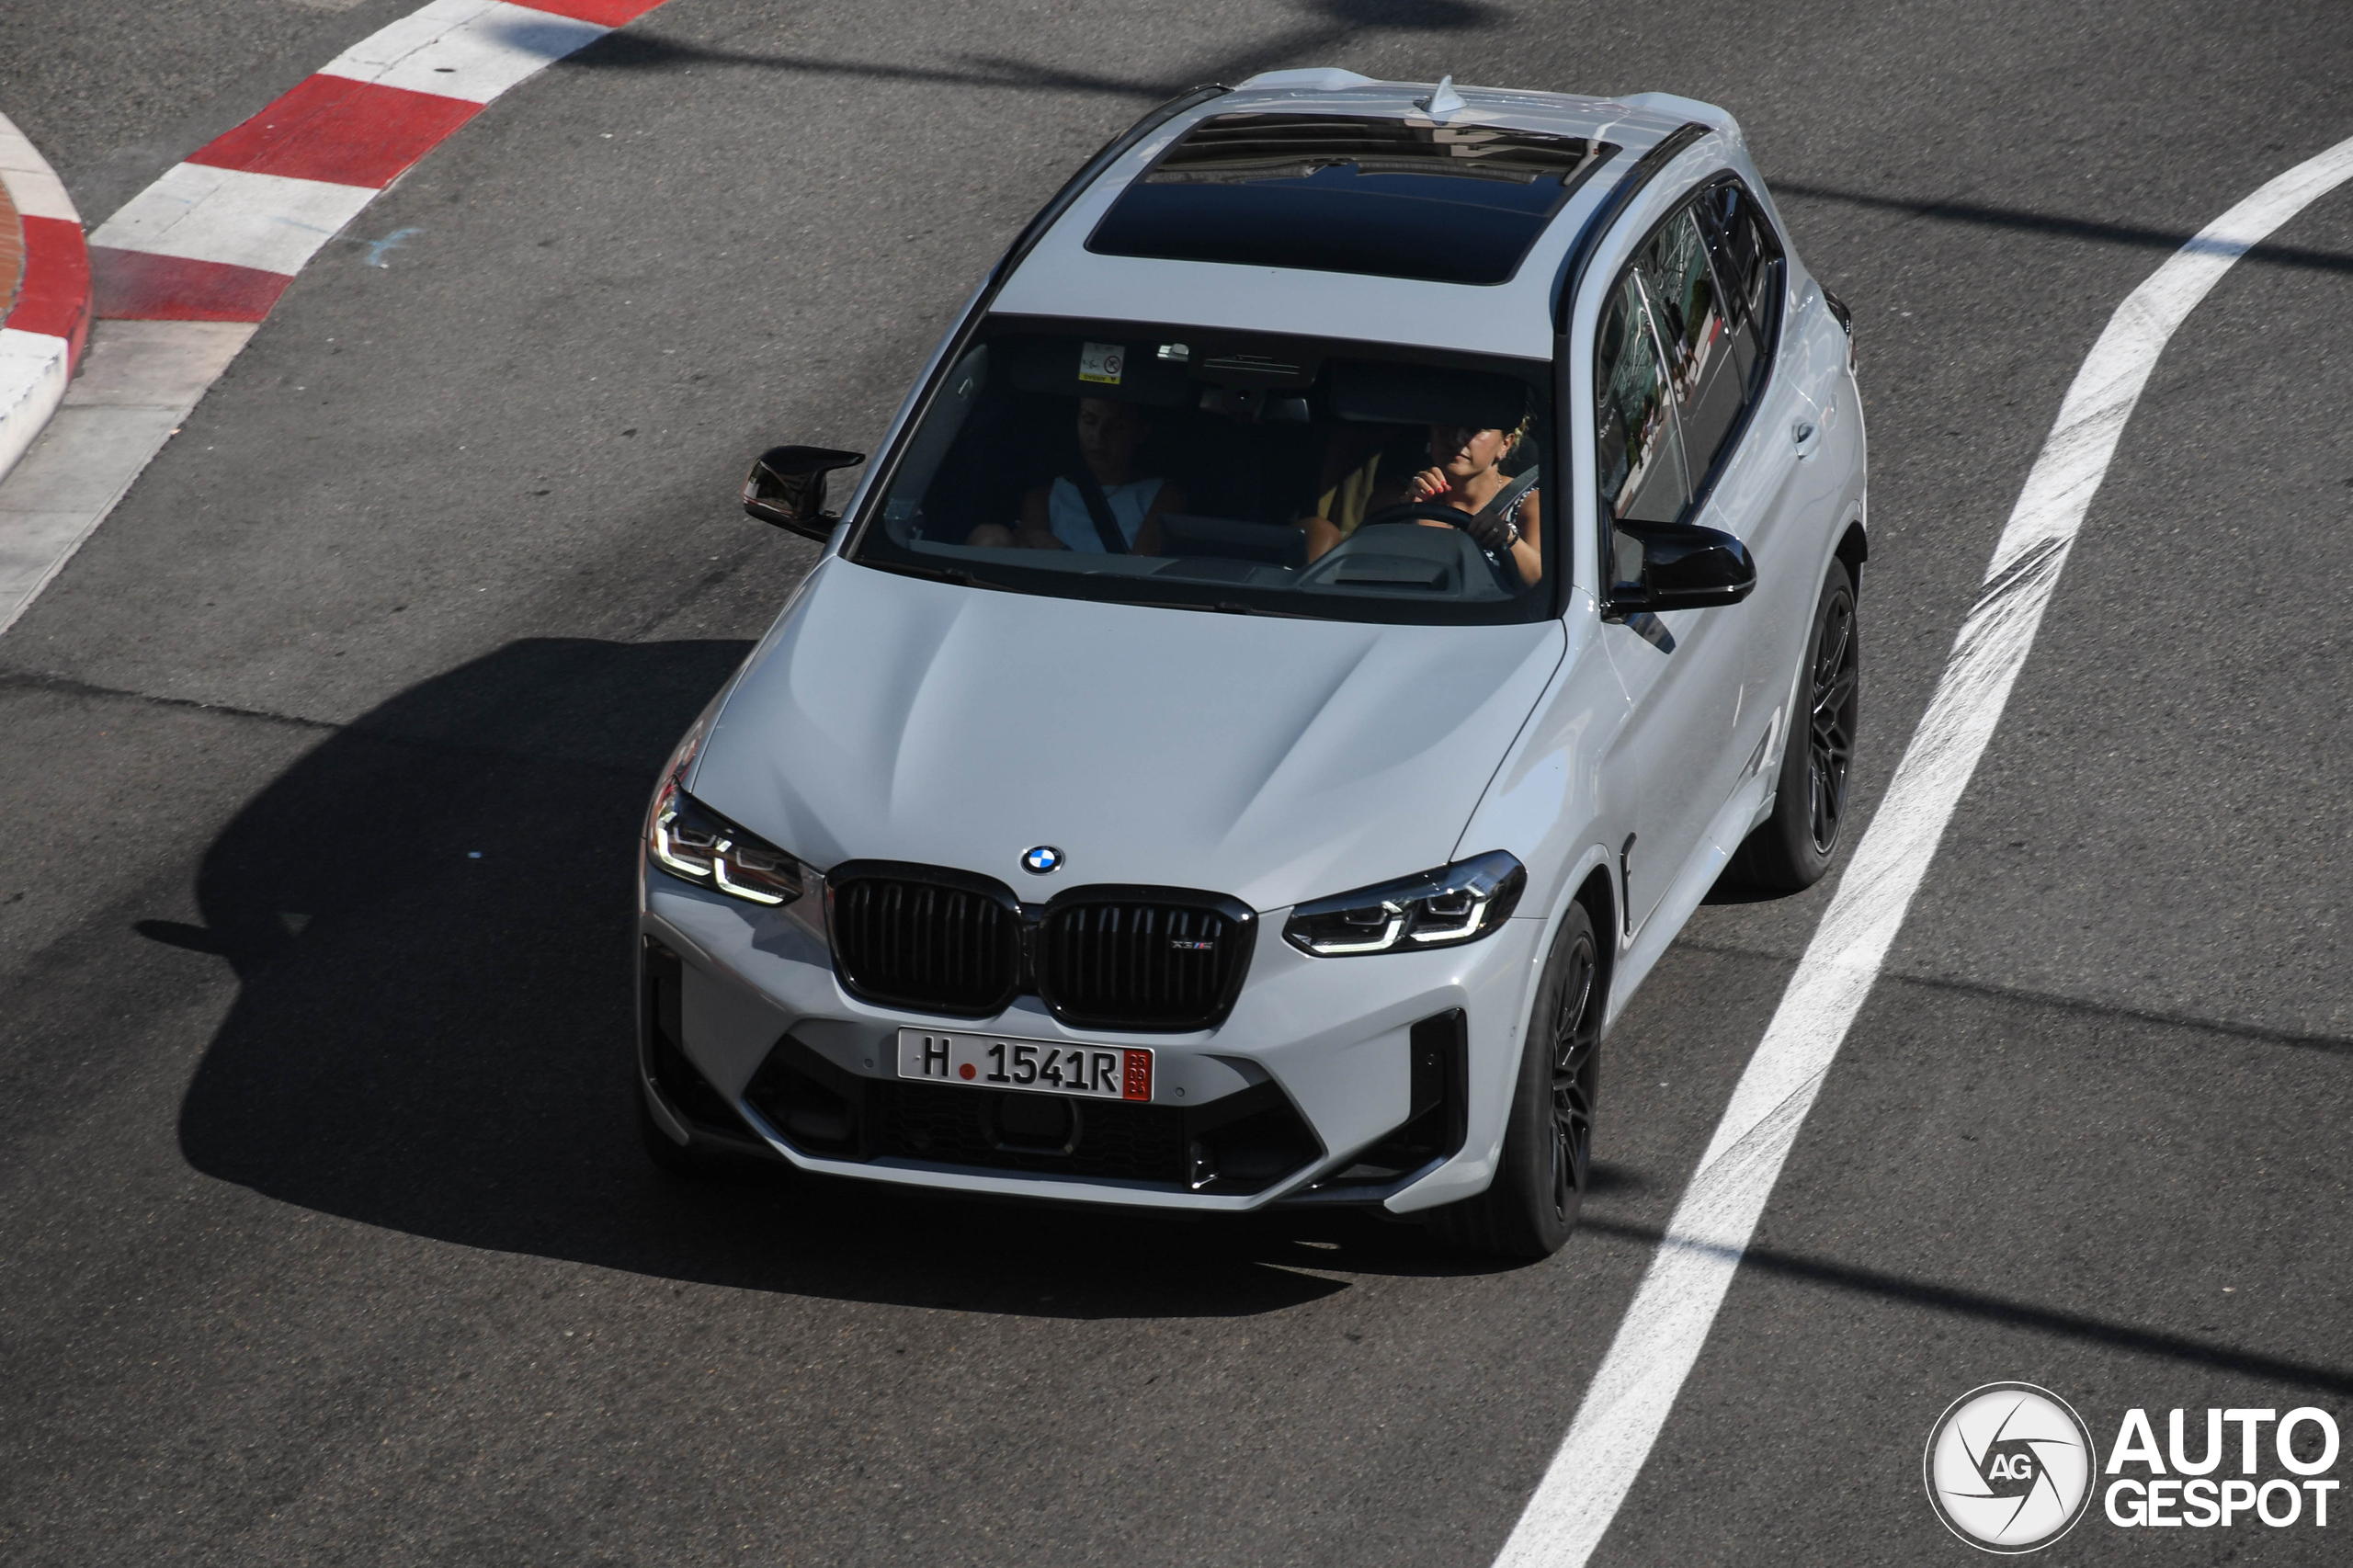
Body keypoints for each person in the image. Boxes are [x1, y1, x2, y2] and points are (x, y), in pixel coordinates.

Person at [1302, 419, 1542, 584]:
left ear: (1505, 444)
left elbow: (1539, 580)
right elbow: (1368, 574)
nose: (1456, 439)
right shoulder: (1394, 496)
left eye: (1473, 429)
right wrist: (1412, 513)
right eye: (1446, 426)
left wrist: (1508, 539)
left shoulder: (1529, 502)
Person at [966, 398, 1187, 554]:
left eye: (1117, 427)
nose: (1098, 437)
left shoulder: (1163, 497)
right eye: (1089, 421)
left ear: (1141, 432)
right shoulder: (1043, 499)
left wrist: (1059, 549)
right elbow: (1035, 564)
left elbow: (1137, 578)